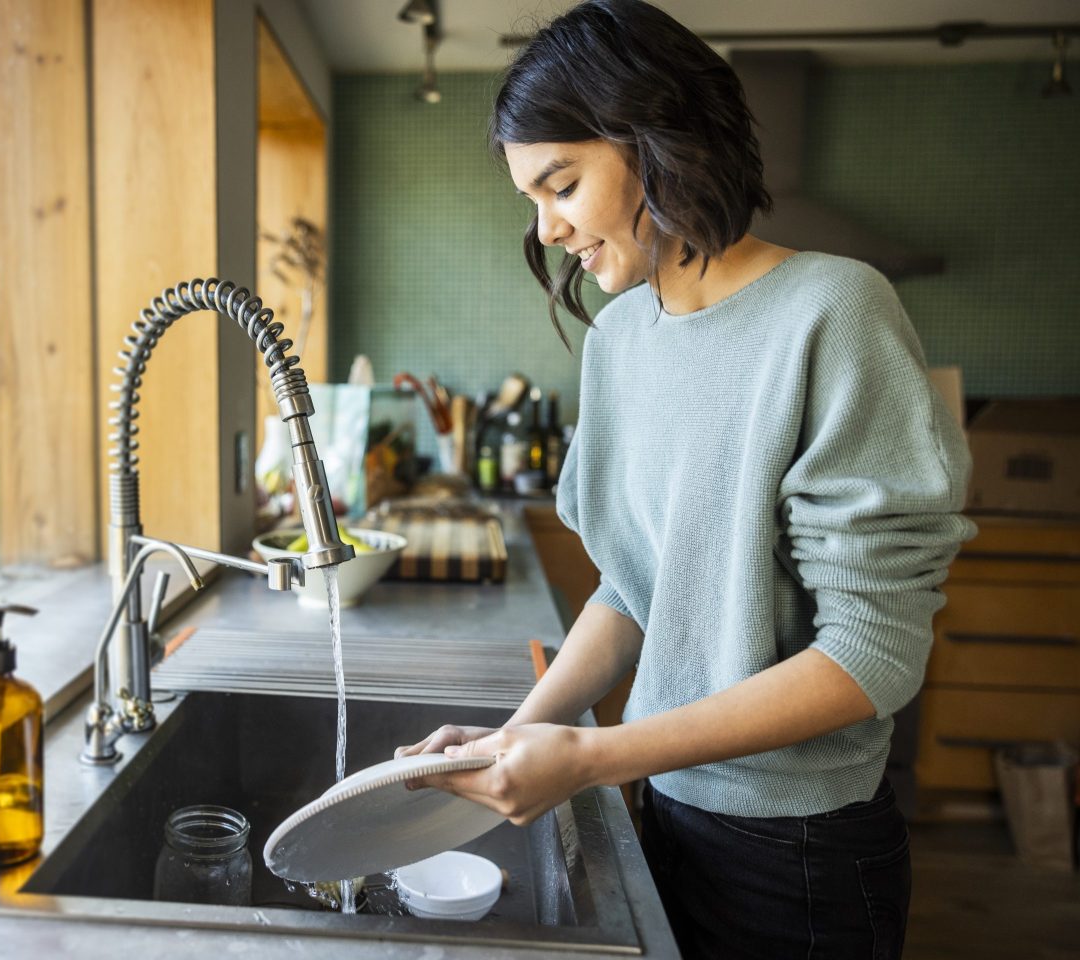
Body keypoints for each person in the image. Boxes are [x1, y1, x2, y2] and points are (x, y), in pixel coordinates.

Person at [396, 2, 975, 957]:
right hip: (658, 804)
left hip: (799, 855)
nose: (545, 231)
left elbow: (872, 652)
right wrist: (512, 738)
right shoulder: (620, 340)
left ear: (653, 136)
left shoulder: (834, 313)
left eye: (562, 184)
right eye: (530, 201)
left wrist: (588, 755)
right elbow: (633, 591)